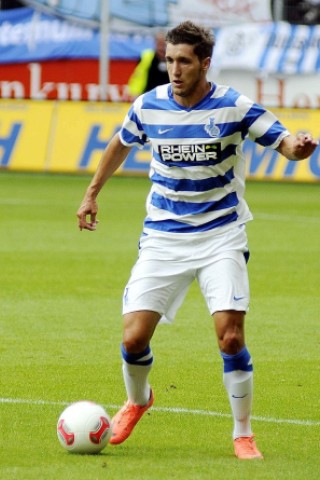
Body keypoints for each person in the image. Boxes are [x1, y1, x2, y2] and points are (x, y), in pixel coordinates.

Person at [77, 21, 318, 460]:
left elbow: (281, 139)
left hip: (220, 236)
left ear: (205, 63)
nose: (174, 69)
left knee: (230, 338)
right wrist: (92, 193)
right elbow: (119, 143)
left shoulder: (232, 106)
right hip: (164, 238)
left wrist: (298, 148)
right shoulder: (149, 106)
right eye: (170, 59)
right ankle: (138, 400)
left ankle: (242, 432)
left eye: (183, 60)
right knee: (132, 339)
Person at [127, 30, 169, 97]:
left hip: (168, 96)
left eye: (163, 44)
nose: (161, 48)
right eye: (159, 44)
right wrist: (134, 92)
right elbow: (138, 76)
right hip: (148, 94)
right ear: (155, 43)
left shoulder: (172, 59)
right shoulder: (146, 57)